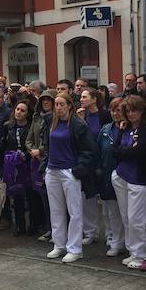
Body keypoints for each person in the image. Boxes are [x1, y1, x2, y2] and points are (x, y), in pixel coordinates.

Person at [40, 93, 96, 263]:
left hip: (69, 171)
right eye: (56, 104)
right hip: (52, 170)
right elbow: (46, 145)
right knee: (56, 210)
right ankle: (59, 245)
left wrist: (78, 170)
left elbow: (89, 150)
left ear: (69, 106)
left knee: (75, 211)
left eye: (61, 104)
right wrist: (45, 165)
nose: (58, 107)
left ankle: (75, 248)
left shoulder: (78, 124)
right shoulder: (51, 121)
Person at [111, 96, 146, 271]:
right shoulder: (125, 128)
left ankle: (141, 253)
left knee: (136, 218)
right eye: (128, 111)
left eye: (134, 110)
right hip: (122, 175)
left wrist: (125, 151)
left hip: (138, 178)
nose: (131, 114)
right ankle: (133, 250)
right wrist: (126, 151)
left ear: (142, 111)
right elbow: (114, 149)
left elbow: (140, 151)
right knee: (126, 217)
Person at [77, 88, 112, 246]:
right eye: (81, 97)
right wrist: (81, 119)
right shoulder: (80, 116)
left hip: (102, 161)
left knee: (106, 200)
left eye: (85, 97)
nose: (81, 99)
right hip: (87, 162)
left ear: (94, 99)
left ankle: (110, 234)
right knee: (88, 198)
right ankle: (90, 232)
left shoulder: (104, 115)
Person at [4, 100, 43, 235]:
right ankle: (19, 225)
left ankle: (34, 225)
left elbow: (34, 144)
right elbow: (5, 145)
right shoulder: (8, 127)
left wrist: (25, 155)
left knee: (31, 195)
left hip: (28, 164)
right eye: (17, 109)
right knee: (17, 196)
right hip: (14, 165)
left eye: (22, 110)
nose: (19, 112)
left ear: (27, 113)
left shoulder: (31, 127)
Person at [26, 89, 55, 240]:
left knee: (53, 199)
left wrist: (41, 151)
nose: (45, 102)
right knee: (42, 196)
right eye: (43, 100)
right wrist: (32, 150)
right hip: (36, 161)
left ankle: (57, 230)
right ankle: (48, 228)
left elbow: (54, 141)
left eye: (48, 100)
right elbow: (29, 138)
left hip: (50, 159)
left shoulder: (58, 118)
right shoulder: (37, 118)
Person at [97, 101, 125, 256]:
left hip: (124, 174)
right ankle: (114, 239)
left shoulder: (129, 128)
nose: (115, 114)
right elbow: (99, 149)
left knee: (124, 212)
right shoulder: (106, 129)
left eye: (119, 110)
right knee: (110, 210)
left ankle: (121, 241)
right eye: (113, 110)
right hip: (107, 173)